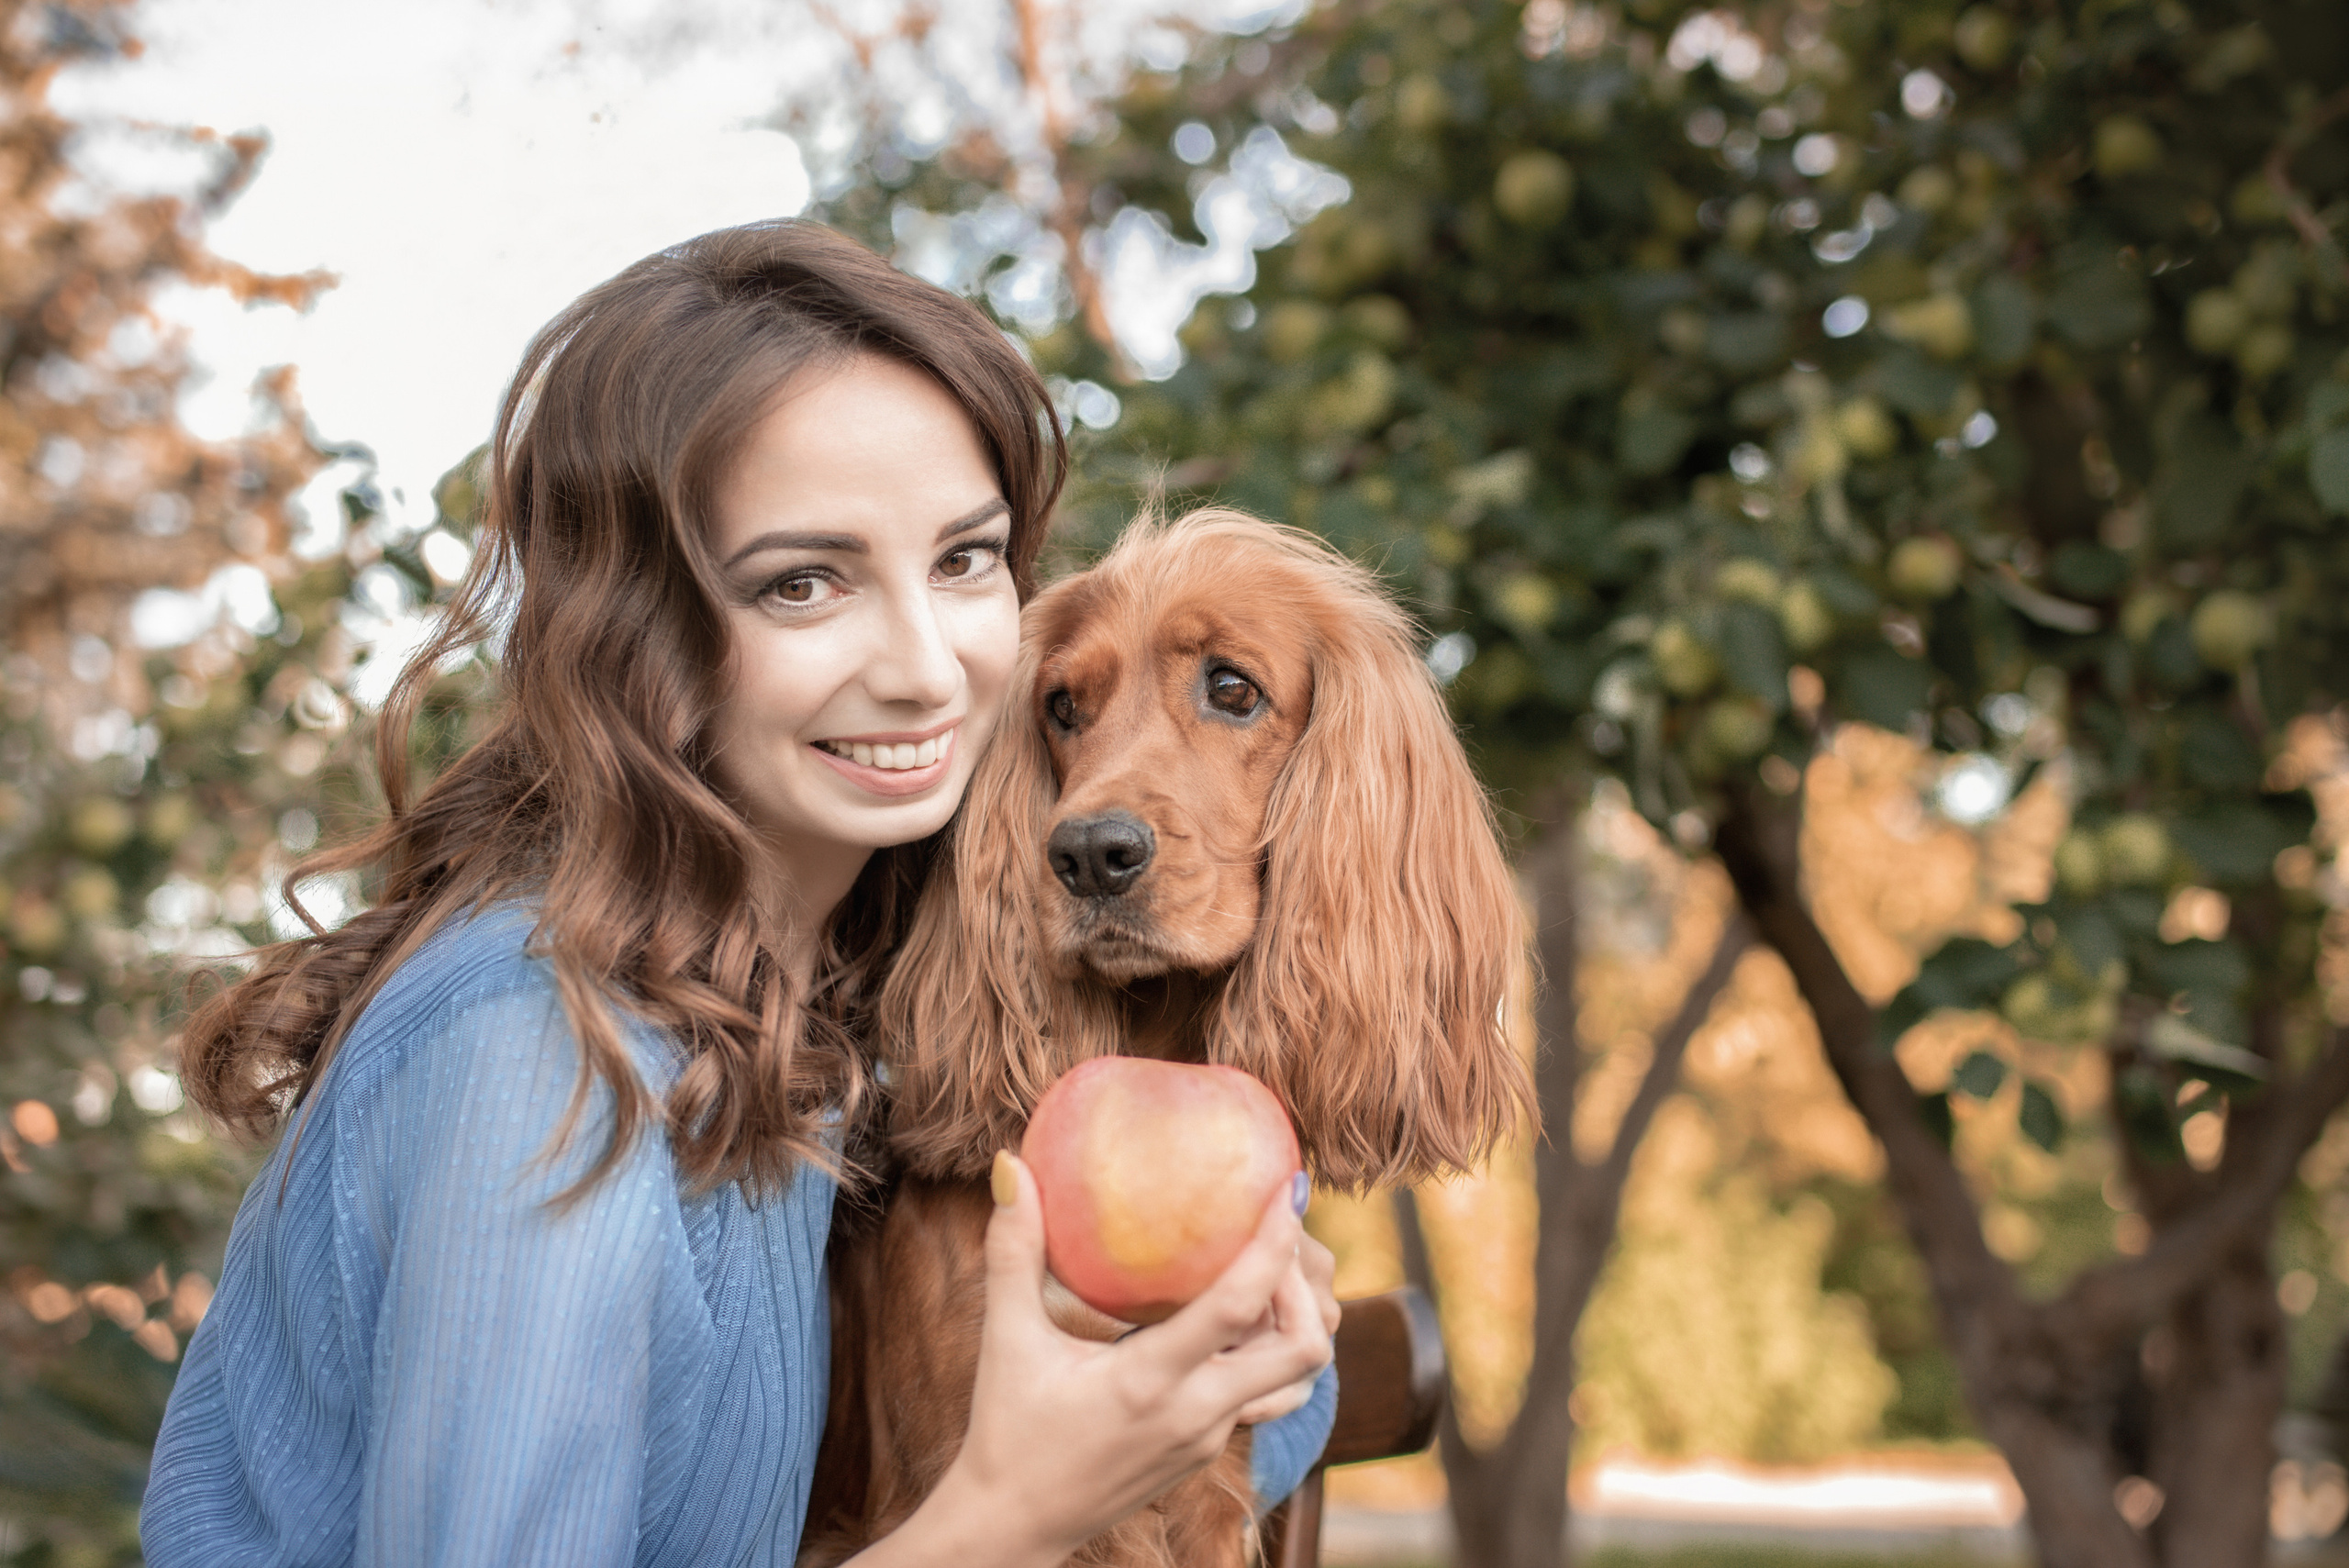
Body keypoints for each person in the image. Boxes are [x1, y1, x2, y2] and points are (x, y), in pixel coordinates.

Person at [141, 221, 1337, 1567]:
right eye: (804, 582)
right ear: (639, 638)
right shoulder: (541, 1055)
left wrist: (1217, 1358)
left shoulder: (804, 1011)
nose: (927, 669)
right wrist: (1012, 1513)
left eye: (963, 559)